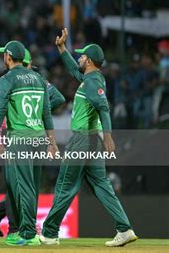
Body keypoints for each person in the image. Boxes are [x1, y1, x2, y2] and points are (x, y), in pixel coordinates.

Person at [40, 29, 138, 247]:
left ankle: (49, 232)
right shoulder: (91, 78)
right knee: (102, 185)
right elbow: (75, 71)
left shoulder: (92, 82)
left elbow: (104, 107)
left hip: (83, 139)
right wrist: (62, 49)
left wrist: (109, 137)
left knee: (66, 184)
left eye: (83, 55)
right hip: (91, 140)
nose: (80, 58)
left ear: (91, 61)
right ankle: (124, 228)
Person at [0, 48, 65, 238]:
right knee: (30, 187)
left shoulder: (7, 79)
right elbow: (47, 111)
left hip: (17, 139)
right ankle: (21, 228)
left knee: (18, 186)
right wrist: (51, 141)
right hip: (37, 137)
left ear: (9, 57)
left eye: (5, 54)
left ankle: (23, 231)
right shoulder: (39, 79)